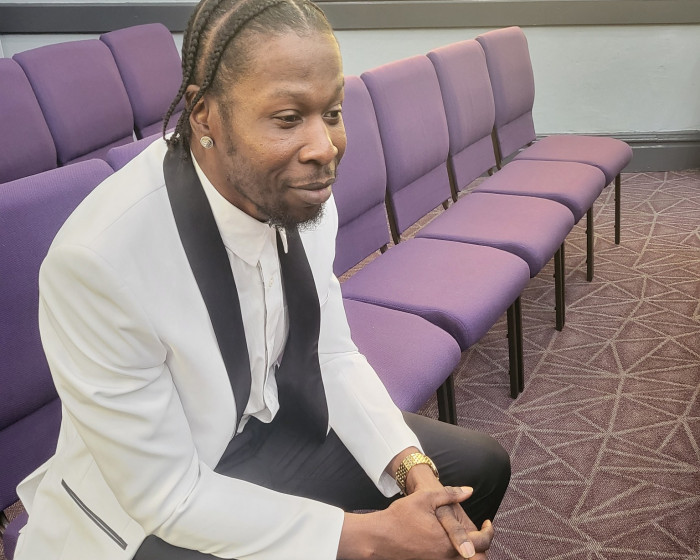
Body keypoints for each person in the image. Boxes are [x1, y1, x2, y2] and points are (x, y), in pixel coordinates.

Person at [14, 1, 510, 559]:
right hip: (147, 501)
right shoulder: (99, 262)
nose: (324, 148)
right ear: (205, 115)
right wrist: (370, 538)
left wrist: (413, 473)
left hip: (265, 426)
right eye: (288, 118)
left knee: (475, 470)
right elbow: (166, 494)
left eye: (332, 112)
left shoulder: (299, 192)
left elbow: (329, 353)